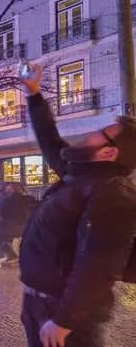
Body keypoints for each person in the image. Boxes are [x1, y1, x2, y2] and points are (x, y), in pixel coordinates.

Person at [18, 65, 136, 347]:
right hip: (39, 303)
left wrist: (64, 320)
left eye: (101, 133)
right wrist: (34, 95)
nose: (91, 135)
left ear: (109, 152)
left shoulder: (112, 193)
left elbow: (99, 265)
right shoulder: (80, 175)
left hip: (67, 317)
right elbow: (50, 141)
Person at [0, 182, 33, 267]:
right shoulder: (30, 199)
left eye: (8, 189)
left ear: (10, 190)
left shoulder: (7, 200)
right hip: (27, 228)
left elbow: (0, 213)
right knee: (1, 234)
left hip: (12, 227)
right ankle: (11, 255)